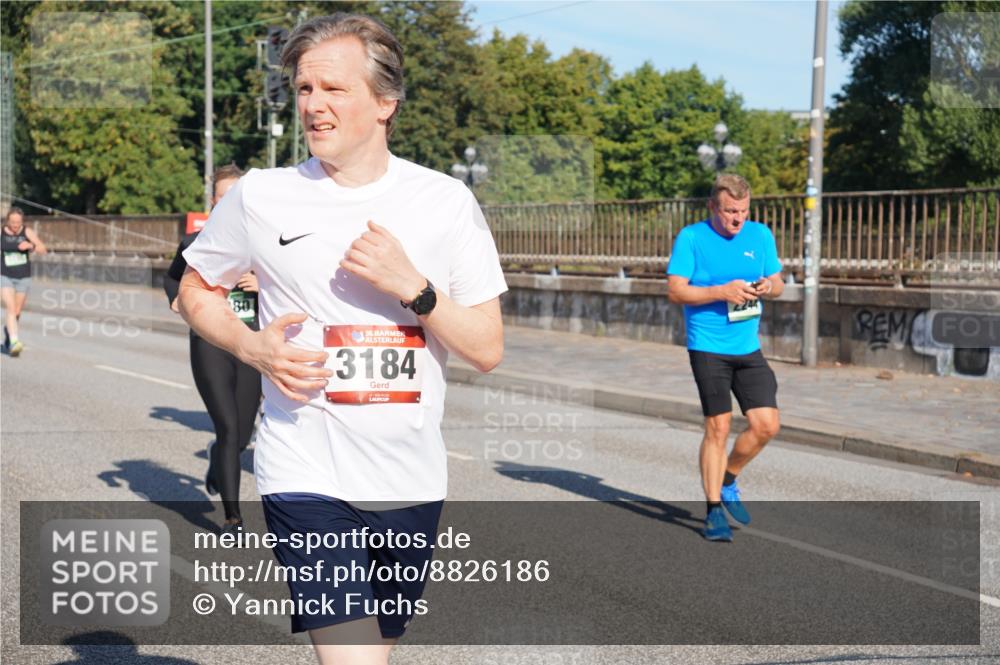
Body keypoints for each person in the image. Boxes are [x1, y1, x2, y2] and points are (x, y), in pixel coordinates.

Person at [177, 13, 506, 663]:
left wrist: (414, 285)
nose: (313, 105)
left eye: (333, 89)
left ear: (386, 102)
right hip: (305, 469)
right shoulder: (261, 196)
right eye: (303, 89)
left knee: (377, 649)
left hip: (410, 479)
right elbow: (195, 287)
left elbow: (488, 347)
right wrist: (250, 347)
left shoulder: (444, 203)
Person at [667, 174, 783, 542]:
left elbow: (779, 282)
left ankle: (728, 477)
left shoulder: (760, 235)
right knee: (718, 427)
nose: (738, 219)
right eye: (731, 211)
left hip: (747, 348)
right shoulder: (692, 238)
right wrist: (721, 292)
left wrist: (768, 286)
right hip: (708, 347)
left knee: (767, 425)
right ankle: (714, 509)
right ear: (713, 208)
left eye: (744, 211)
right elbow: (676, 291)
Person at [164, 164, 261, 536]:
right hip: (209, 343)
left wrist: (261, 285)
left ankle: (217, 461)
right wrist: (179, 301)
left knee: (243, 435)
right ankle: (233, 518)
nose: (231, 202)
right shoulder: (195, 243)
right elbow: (173, 277)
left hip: (250, 342)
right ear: (214, 201)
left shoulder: (265, 245)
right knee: (228, 426)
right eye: (224, 196)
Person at [2, 206, 47, 357]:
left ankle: (9, 334)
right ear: (7, 220)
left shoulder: (26, 232)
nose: (15, 225)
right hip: (4, 275)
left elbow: (43, 249)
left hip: (23, 277)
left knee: (16, 312)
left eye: (18, 222)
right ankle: (15, 341)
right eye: (13, 222)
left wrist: (31, 246)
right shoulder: (1, 232)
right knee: (10, 307)